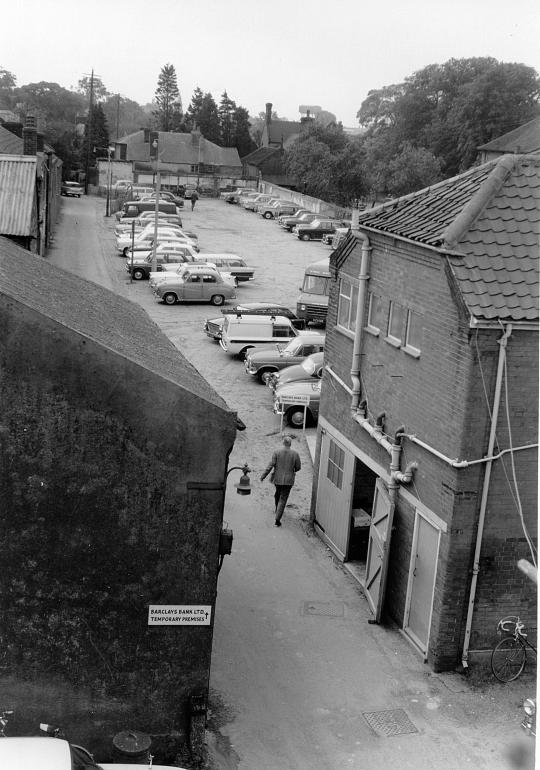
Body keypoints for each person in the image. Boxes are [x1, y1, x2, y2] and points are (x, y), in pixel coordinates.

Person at [260, 436, 301, 526]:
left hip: (277, 479)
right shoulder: (295, 454)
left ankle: (277, 509)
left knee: (277, 493)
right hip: (288, 480)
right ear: (290, 444)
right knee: (283, 499)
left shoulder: (276, 452)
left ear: (283, 443)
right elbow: (298, 467)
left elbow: (270, 466)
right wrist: (291, 469)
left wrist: (263, 476)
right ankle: (277, 520)